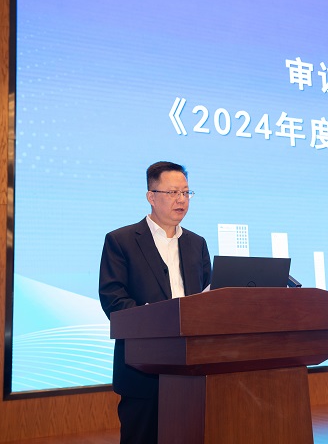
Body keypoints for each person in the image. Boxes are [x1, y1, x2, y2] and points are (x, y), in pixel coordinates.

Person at [99, 161, 212, 444]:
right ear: (151, 196)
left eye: (186, 192)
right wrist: (158, 319)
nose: (181, 199)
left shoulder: (197, 244)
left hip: (193, 369)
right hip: (142, 370)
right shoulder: (121, 241)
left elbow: (208, 297)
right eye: (173, 192)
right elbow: (113, 299)